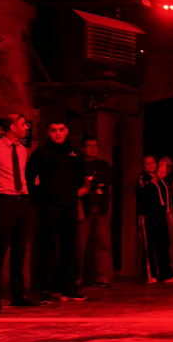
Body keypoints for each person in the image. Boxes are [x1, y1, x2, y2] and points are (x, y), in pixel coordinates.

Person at [25, 118, 86, 303]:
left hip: (69, 207)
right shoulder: (40, 153)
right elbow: (30, 176)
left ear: (66, 131)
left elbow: (80, 176)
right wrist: (39, 198)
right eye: (53, 130)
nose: (57, 133)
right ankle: (44, 289)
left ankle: (68, 288)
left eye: (60, 129)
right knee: (46, 249)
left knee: (69, 249)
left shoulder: (75, 152)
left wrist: (71, 194)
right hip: (48, 207)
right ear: (49, 133)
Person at [0, 113, 38, 309]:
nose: (26, 127)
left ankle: (18, 293)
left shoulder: (22, 149)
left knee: (20, 249)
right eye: (23, 124)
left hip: (22, 200)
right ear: (12, 127)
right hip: (4, 199)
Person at [135, 155, 173, 284]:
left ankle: (166, 273)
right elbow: (143, 195)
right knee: (148, 246)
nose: (150, 165)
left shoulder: (162, 180)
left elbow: (167, 196)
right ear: (144, 166)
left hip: (161, 216)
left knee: (163, 244)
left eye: (152, 163)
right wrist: (151, 182)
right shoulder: (143, 179)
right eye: (147, 164)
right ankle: (150, 274)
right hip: (147, 217)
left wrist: (169, 212)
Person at [76, 136, 113, 289]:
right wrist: (94, 182)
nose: (92, 148)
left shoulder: (103, 164)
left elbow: (109, 178)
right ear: (83, 148)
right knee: (79, 243)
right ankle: (76, 278)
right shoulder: (79, 164)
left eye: (95, 146)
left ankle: (102, 276)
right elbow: (79, 183)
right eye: (89, 146)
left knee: (103, 242)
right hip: (83, 209)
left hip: (101, 209)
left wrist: (91, 181)